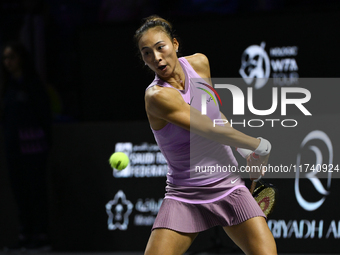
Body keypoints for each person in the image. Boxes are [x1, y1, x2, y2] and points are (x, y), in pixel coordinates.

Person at [134, 15, 277, 255]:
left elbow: (215, 115)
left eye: (161, 47)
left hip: (229, 185)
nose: (156, 57)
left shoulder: (199, 64)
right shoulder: (157, 97)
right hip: (185, 194)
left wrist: (244, 152)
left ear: (175, 44)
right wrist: (259, 145)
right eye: (147, 53)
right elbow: (207, 128)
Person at [1, 41, 52, 252]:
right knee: (20, 193)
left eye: (11, 57)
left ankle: (41, 237)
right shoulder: (7, 87)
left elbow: (44, 115)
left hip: (34, 150)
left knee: (35, 192)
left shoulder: (33, 85)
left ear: (21, 59)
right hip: (14, 151)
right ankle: (25, 236)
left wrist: (45, 142)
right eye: (5, 58)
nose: (8, 62)